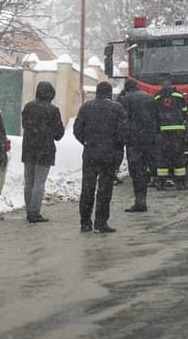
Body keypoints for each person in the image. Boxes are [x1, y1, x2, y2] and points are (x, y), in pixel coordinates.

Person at [73, 81, 125, 233]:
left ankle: (85, 222)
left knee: (87, 188)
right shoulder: (117, 109)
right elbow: (123, 132)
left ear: (97, 92)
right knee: (105, 189)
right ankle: (101, 222)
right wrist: (117, 146)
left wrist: (87, 142)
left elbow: (77, 130)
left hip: (90, 154)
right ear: (109, 93)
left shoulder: (86, 107)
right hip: (109, 155)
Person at [21, 80, 65, 224]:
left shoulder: (28, 107)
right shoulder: (53, 111)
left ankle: (29, 210)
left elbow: (25, 125)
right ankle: (35, 213)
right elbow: (59, 134)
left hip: (28, 148)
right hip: (45, 149)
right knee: (39, 182)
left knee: (29, 182)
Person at [118, 78, 157, 212]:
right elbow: (156, 117)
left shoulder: (126, 99)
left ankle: (139, 202)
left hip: (134, 140)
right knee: (145, 168)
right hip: (149, 139)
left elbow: (123, 119)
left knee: (136, 170)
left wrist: (123, 138)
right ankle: (143, 199)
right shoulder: (150, 98)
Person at [153, 81, 188, 190]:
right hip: (178, 130)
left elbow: (154, 113)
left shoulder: (157, 96)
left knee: (162, 157)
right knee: (178, 156)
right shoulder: (179, 94)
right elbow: (184, 111)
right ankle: (181, 183)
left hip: (162, 131)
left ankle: (161, 183)